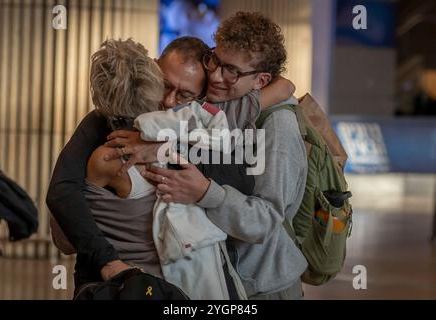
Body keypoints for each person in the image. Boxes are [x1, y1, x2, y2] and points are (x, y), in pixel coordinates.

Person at [46, 35, 296, 295]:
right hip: (119, 283)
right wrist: (108, 261)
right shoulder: (106, 123)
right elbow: (62, 193)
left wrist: (164, 147)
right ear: (153, 70)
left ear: (201, 100)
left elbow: (283, 89)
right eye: (165, 85)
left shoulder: (206, 124)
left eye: (185, 96)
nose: (168, 101)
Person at [108, 12, 309, 300]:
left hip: (264, 287)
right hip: (225, 281)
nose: (215, 76)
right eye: (215, 59)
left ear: (261, 80)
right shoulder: (221, 107)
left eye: (232, 71)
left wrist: (204, 192)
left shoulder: (278, 127)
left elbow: (264, 221)